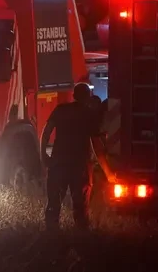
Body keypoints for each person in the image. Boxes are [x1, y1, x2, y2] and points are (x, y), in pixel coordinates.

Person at [41, 82, 101, 231]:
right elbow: (96, 143)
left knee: (54, 203)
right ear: (88, 97)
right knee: (80, 204)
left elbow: (46, 132)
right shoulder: (89, 114)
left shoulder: (60, 110)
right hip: (79, 166)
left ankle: (51, 236)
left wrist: (43, 154)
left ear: (73, 96)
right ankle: (82, 236)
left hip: (58, 163)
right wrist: (105, 167)